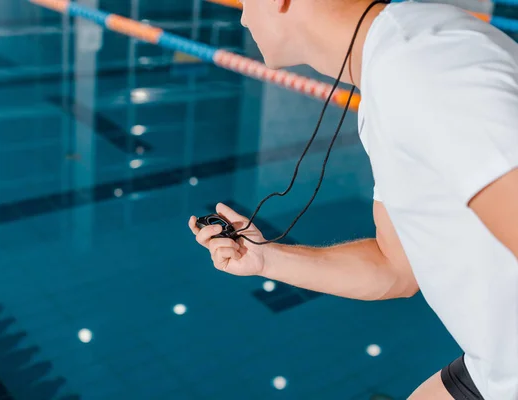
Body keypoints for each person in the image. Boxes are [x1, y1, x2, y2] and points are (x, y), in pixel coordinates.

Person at [188, 0, 518, 399]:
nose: (240, 14)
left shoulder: (422, 66)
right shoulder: (390, 64)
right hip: (494, 364)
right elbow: (396, 269)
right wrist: (264, 257)